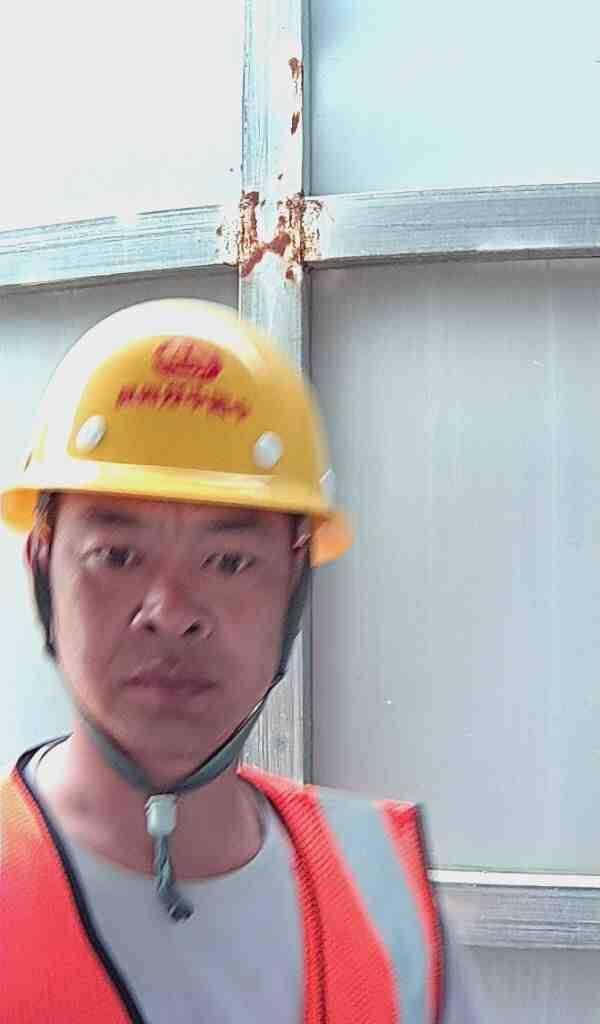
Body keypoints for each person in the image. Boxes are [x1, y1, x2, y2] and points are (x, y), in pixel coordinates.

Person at [0, 298, 479, 1022]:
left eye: (229, 561)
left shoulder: (387, 899)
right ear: (42, 565)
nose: (171, 612)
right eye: (117, 555)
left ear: (295, 582)